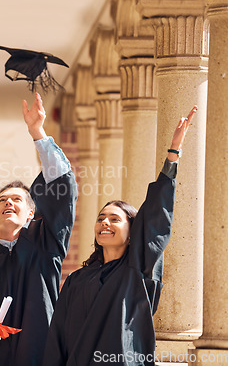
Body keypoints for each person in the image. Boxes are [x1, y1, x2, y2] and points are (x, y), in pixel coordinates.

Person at [42, 106, 197, 366]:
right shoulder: (76, 281)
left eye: (115, 219)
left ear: (131, 232)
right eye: (101, 218)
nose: (105, 222)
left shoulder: (137, 270)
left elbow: (156, 217)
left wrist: (173, 154)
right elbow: (57, 337)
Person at [0, 93, 78, 366]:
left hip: (41, 356)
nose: (8, 203)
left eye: (17, 200)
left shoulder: (46, 244)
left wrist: (37, 133)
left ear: (31, 214)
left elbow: (64, 190)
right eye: (2, 200)